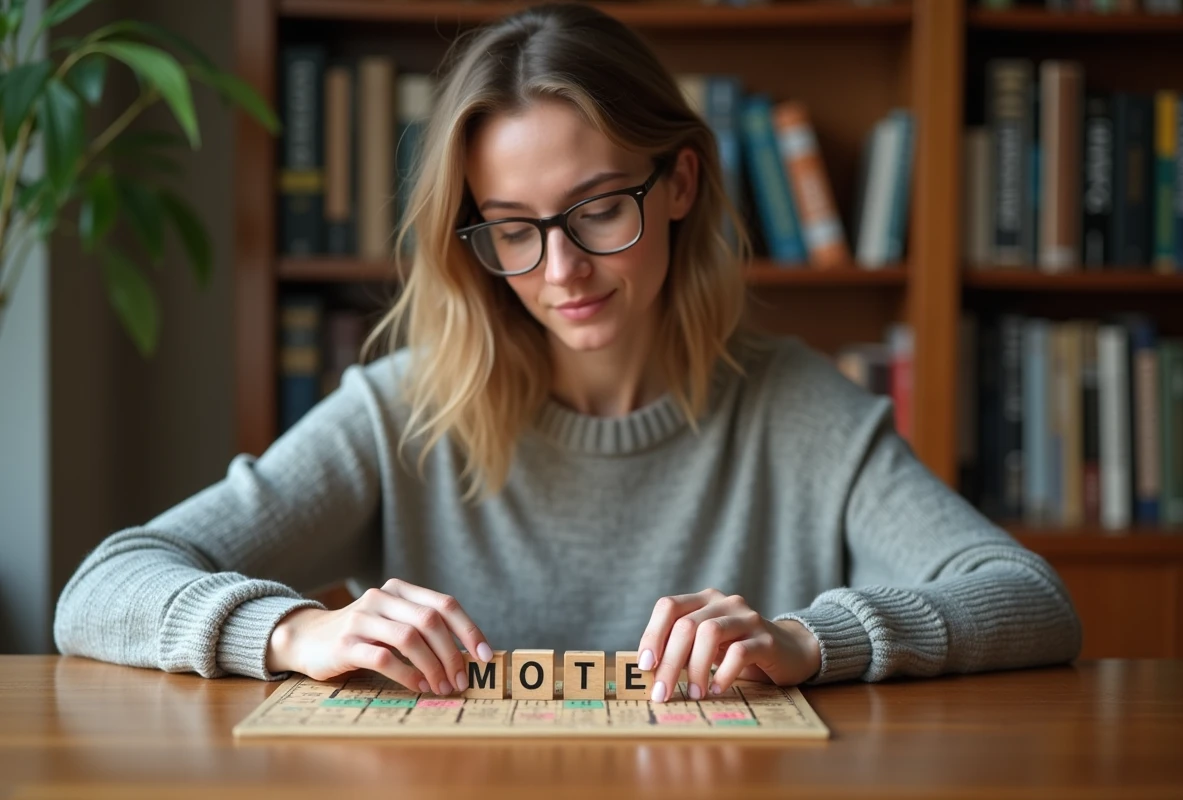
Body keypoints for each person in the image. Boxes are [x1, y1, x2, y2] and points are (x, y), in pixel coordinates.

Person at [55, 1, 1081, 704]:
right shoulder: (403, 409)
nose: (561, 269)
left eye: (598, 209)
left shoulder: (800, 410)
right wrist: (292, 634)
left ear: (678, 183)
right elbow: (102, 585)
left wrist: (812, 640)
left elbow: (1030, 599)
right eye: (511, 227)